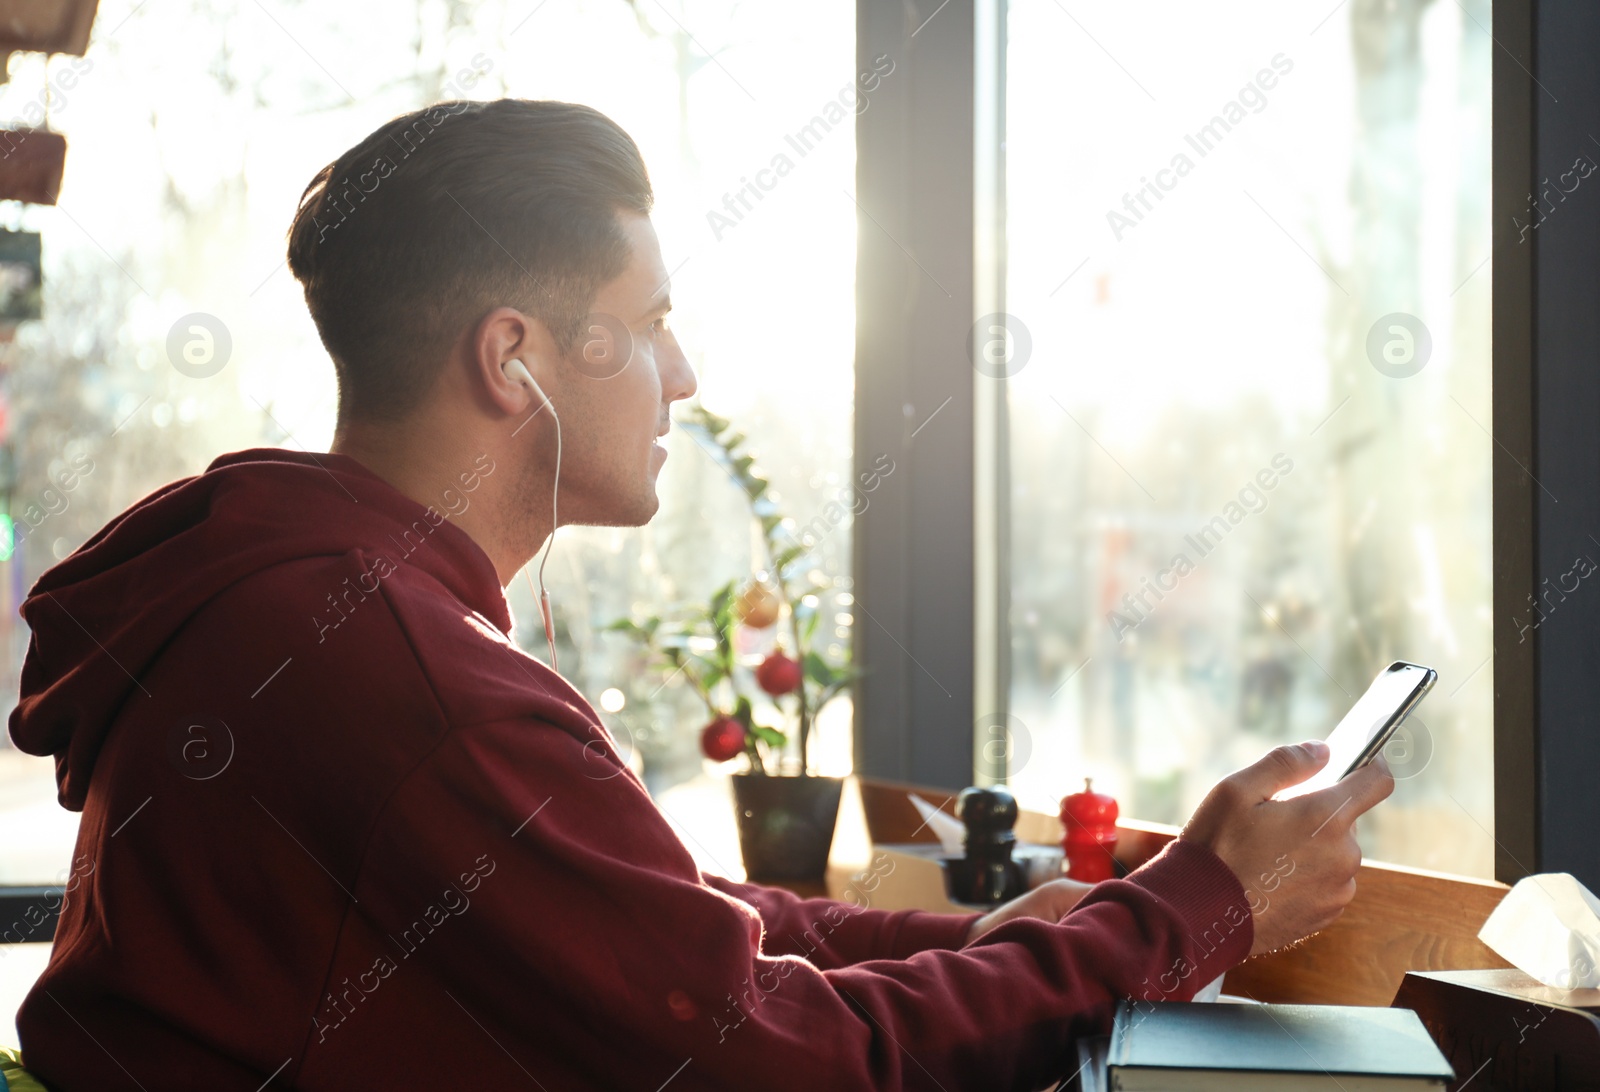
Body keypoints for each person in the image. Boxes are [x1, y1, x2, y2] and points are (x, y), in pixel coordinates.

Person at [8, 99, 1393, 1091]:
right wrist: (1188, 911)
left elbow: (657, 913)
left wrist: (974, 935)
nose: (688, 377)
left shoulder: (298, 602)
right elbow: (785, 1065)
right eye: (655, 321)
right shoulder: (410, 681)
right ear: (516, 360)